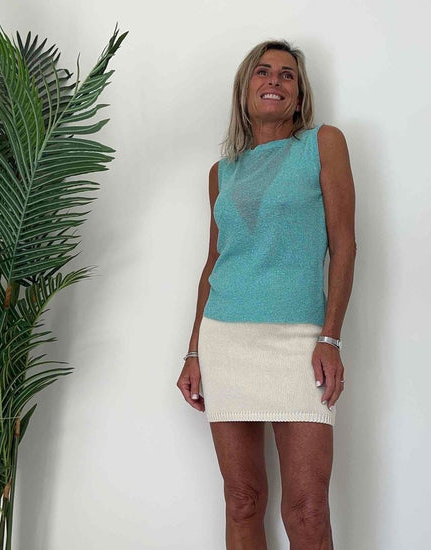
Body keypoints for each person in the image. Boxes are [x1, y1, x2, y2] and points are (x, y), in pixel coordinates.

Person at [176, 38, 356, 550]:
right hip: (225, 338)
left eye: (286, 74)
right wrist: (193, 351)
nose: (274, 80)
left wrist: (330, 337)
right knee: (242, 499)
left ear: (299, 95)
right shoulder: (222, 172)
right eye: (263, 71)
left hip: (300, 340)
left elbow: (344, 245)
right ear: (245, 89)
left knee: (307, 512)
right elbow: (214, 262)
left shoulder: (323, 143)